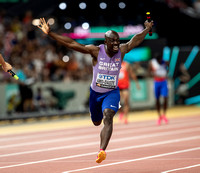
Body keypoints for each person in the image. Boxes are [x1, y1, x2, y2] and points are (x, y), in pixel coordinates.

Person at [37, 17, 153, 163]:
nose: (116, 43)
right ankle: (99, 131)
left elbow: (134, 40)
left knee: (108, 116)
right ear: (106, 42)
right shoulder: (96, 51)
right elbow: (72, 44)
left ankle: (102, 150)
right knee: (97, 122)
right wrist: (50, 34)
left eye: (117, 40)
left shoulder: (121, 50)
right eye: (113, 41)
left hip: (112, 92)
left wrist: (147, 29)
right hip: (95, 94)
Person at [149, 53, 169, 125]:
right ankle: (159, 116)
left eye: (160, 60)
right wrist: (152, 74)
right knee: (157, 99)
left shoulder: (165, 62)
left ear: (161, 59)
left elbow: (168, 68)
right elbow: (149, 71)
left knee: (165, 98)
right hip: (156, 82)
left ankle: (164, 114)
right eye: (158, 61)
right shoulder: (152, 62)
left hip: (163, 82)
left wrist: (166, 73)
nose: (159, 62)